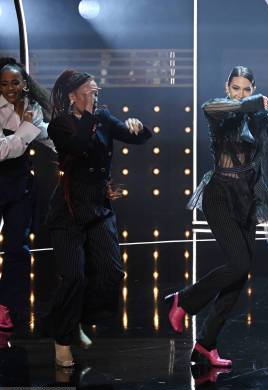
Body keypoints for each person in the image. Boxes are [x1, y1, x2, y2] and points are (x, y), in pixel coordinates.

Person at [165, 66, 268, 367]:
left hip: (248, 199)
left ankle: (206, 344)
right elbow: (224, 106)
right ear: (227, 88)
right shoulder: (218, 110)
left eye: (247, 88)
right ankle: (184, 299)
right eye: (236, 88)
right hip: (219, 195)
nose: (241, 93)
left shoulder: (261, 115)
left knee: (239, 274)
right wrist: (255, 100)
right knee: (239, 264)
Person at [44, 70, 153, 367]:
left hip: (98, 208)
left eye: (96, 92)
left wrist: (137, 127)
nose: (95, 96)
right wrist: (90, 116)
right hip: (68, 212)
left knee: (112, 271)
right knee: (73, 278)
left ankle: (75, 317)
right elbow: (78, 147)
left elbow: (136, 138)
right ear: (73, 95)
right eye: (90, 91)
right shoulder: (59, 125)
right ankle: (62, 339)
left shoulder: (102, 117)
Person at [0, 57, 54, 331]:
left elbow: (46, 136)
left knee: (17, 250)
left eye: (15, 82)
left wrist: (77, 144)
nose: (10, 88)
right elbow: (3, 150)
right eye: (4, 83)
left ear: (24, 83)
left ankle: (6, 307)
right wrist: (25, 130)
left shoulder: (32, 107)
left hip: (19, 185)